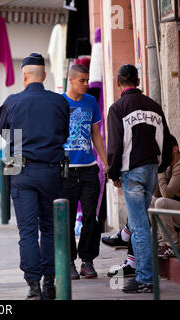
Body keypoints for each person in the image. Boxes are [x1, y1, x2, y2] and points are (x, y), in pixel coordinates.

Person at [0, 53, 70, 300]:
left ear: (24, 75)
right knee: (50, 229)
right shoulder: (59, 102)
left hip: (22, 171)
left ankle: (33, 285)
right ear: (44, 75)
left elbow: (5, 135)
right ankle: (50, 282)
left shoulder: (12, 102)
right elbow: (64, 133)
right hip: (51, 171)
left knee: (27, 231)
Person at [107, 64, 171, 294]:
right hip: (152, 170)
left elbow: (114, 147)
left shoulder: (117, 108)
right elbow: (166, 138)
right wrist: (160, 165)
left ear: (118, 83)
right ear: (138, 80)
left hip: (131, 173)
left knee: (139, 226)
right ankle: (142, 271)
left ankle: (145, 278)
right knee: (141, 223)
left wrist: (113, 173)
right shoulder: (154, 106)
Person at [62, 65, 108, 280]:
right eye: (82, 80)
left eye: (87, 80)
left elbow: (95, 133)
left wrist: (105, 162)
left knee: (91, 216)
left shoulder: (90, 102)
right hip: (66, 171)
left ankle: (87, 261)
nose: (86, 84)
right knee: (68, 219)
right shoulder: (59, 103)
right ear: (70, 80)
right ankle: (69, 261)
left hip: (89, 169)